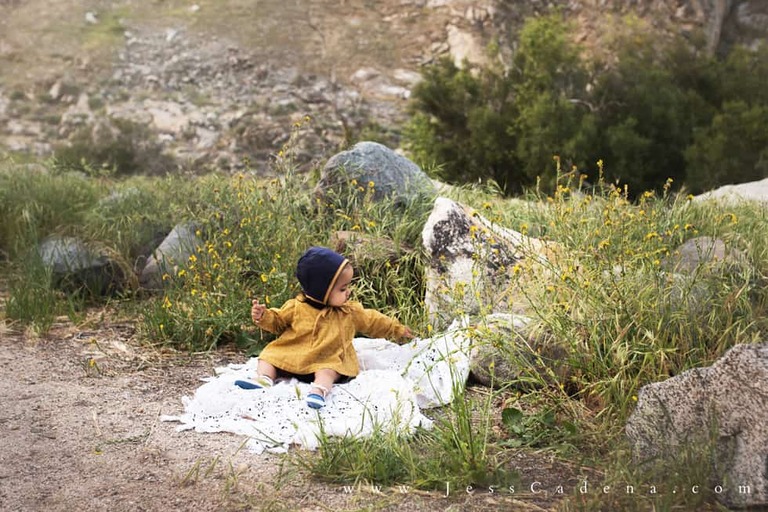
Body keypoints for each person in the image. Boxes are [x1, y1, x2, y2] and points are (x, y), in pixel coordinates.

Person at [235, 246, 414, 409]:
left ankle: (319, 390)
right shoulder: (296, 307)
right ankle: (264, 378)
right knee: (268, 356)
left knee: (329, 370)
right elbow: (278, 322)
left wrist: (397, 329)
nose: (348, 292)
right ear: (322, 291)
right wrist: (264, 316)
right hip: (295, 355)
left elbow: (374, 320)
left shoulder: (349, 312)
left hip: (327, 357)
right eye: (342, 289)